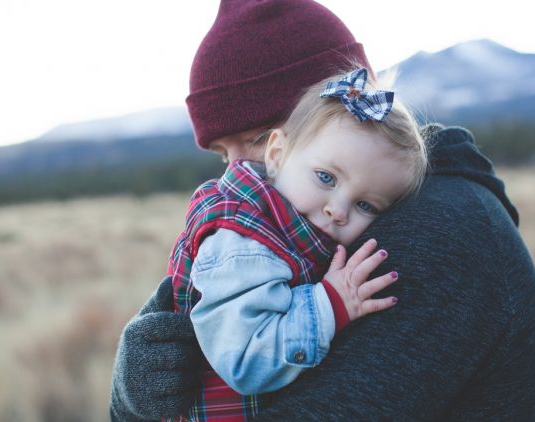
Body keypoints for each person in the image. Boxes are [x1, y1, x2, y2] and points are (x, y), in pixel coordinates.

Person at [110, 1, 535, 421]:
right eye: (224, 156)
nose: (240, 174)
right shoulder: (305, 227)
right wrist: (130, 396)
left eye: (261, 139)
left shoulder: (439, 234)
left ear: (343, 107)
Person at [165, 67, 427, 420]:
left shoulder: (290, 227)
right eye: (325, 177)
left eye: (365, 205)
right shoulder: (243, 242)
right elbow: (244, 360)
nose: (338, 210)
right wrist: (330, 303)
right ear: (276, 153)